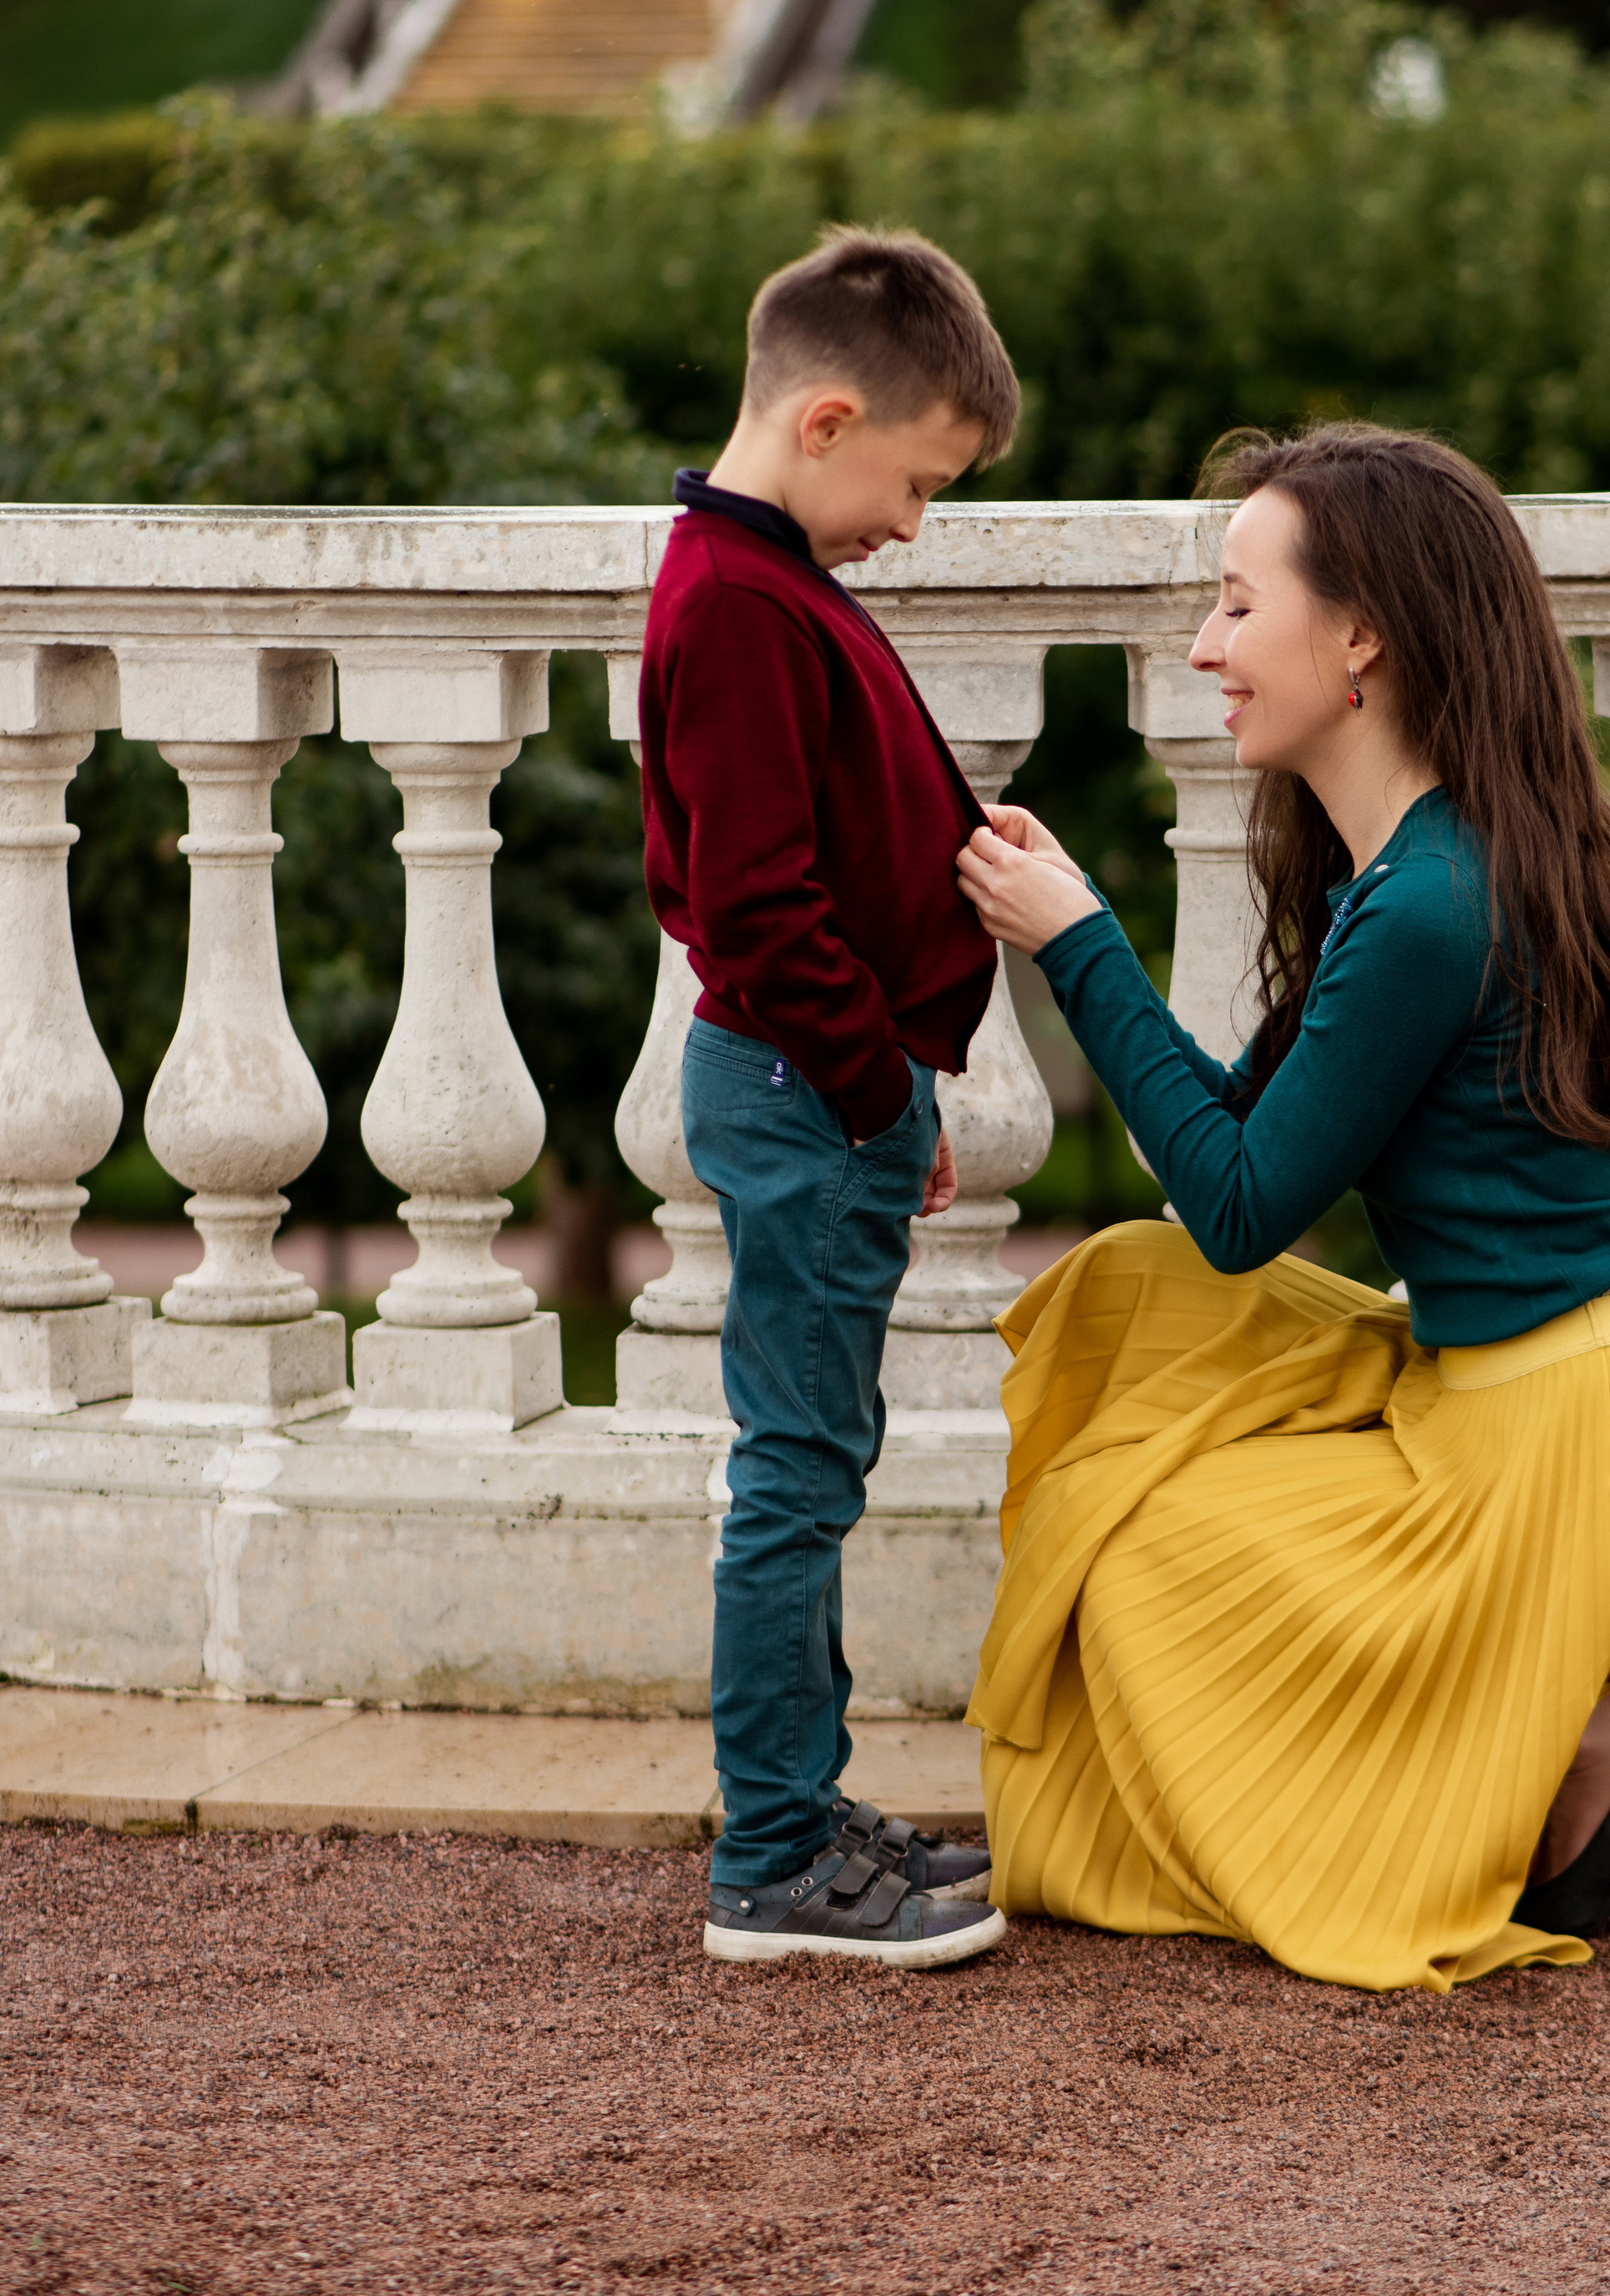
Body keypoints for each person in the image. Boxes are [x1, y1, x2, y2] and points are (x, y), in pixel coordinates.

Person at [954, 422, 1610, 1994]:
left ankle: (1594, 1742)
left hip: (1578, 1462)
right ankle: (1585, 1751)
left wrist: (1079, 948)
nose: (1206, 647)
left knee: (1145, 1552)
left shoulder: (1427, 899)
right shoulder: (1432, 867)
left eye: (1233, 604)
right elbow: (1243, 1149)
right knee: (1139, 1296)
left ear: (1360, 637)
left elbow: (1241, 1206)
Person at [639, 226, 1020, 1969]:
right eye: (914, 479)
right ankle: (773, 1857)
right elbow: (754, 905)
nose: (911, 522)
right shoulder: (732, 599)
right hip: (805, 1089)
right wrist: (876, 1088)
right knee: (796, 1470)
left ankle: (800, 1802)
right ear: (825, 416)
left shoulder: (762, 578)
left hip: (826, 1089)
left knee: (818, 1455)